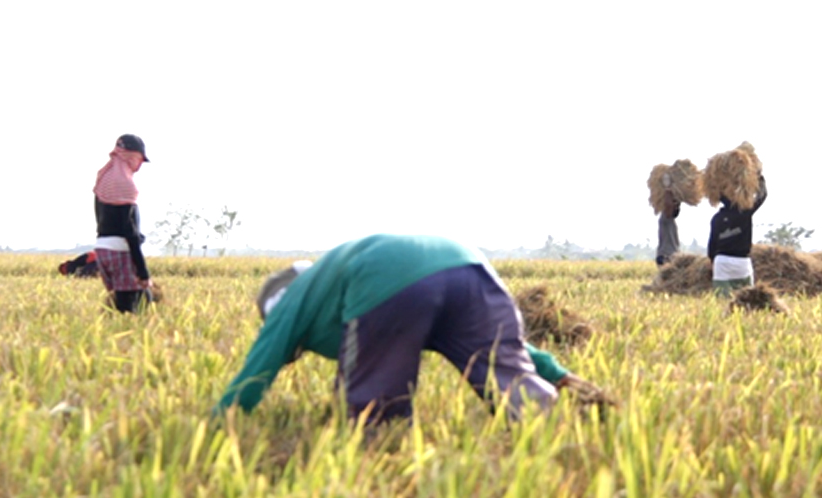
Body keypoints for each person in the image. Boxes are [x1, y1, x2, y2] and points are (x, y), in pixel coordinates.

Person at [213, 234, 600, 424]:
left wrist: (219, 421)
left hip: (390, 276)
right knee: (512, 379)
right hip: (472, 268)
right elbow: (508, 347)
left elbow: (260, 364)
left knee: (374, 413)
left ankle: (378, 458)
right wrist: (561, 376)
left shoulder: (292, 296)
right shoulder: (331, 283)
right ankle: (563, 425)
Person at [93, 134, 153, 313]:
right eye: (139, 159)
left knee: (133, 298)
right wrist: (143, 272)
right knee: (133, 305)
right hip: (121, 251)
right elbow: (130, 233)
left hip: (103, 249)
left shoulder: (105, 178)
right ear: (131, 156)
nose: (140, 165)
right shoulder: (124, 184)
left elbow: (104, 221)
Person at [707, 174, 767, 297]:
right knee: (746, 299)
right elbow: (762, 195)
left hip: (721, 262)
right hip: (742, 261)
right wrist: (758, 177)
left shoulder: (717, 219)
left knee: (722, 300)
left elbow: (712, 245)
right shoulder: (745, 212)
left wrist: (713, 261)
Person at [655, 188, 681, 267]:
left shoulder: (671, 221)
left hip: (672, 256)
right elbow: (668, 205)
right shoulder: (665, 218)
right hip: (665, 256)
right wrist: (668, 188)